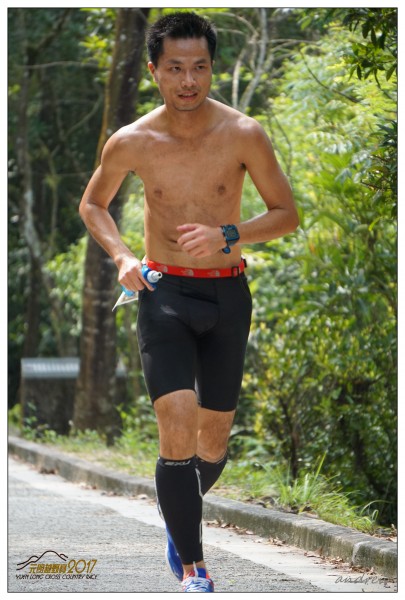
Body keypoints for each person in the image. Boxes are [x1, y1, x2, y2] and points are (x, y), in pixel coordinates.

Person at [79, 11, 299, 593]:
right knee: (176, 420)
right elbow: (93, 204)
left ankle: (179, 513)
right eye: (175, 68)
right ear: (154, 70)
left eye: (199, 67)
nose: (188, 80)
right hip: (163, 292)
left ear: (211, 69)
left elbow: (287, 214)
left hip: (228, 294)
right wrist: (122, 257)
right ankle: (196, 569)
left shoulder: (244, 133)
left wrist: (230, 233)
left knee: (214, 440)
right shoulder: (132, 141)